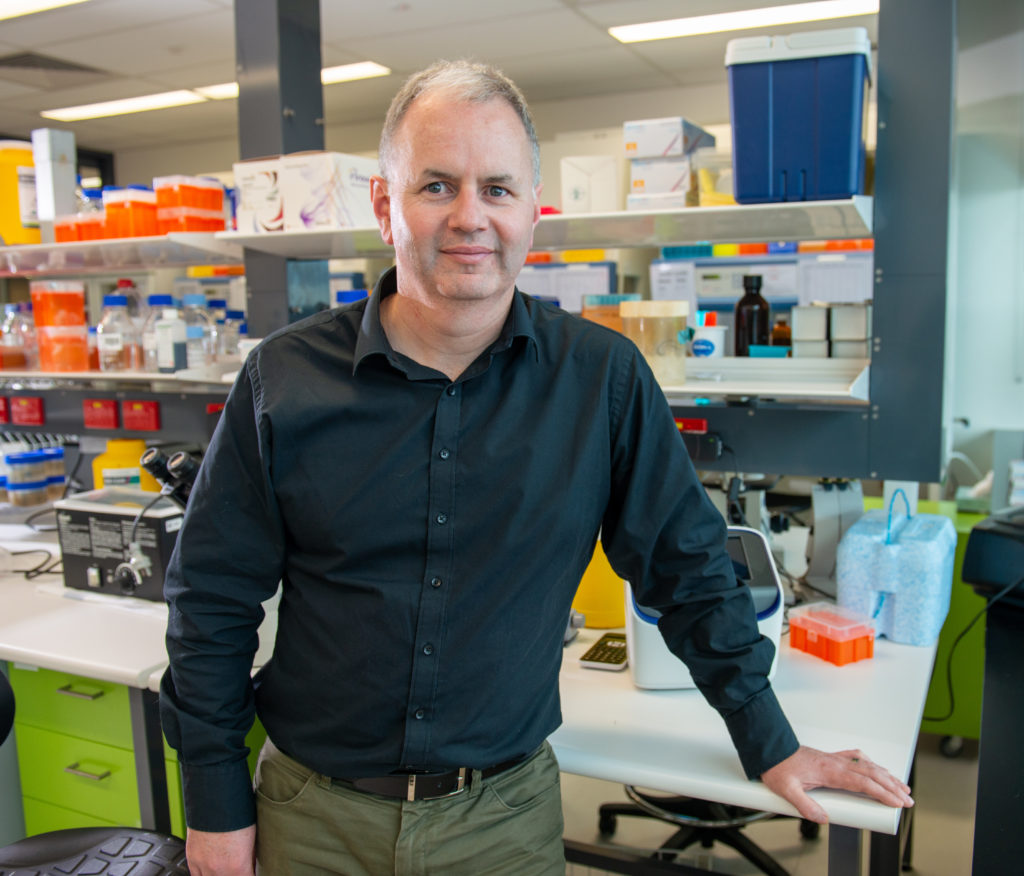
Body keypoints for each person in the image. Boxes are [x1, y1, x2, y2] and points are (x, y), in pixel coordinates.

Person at [161, 59, 914, 876]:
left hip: (503, 824)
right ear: (384, 206)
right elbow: (212, 599)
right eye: (436, 186)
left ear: (532, 210)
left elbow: (688, 570)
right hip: (312, 819)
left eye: (497, 189)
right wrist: (215, 804)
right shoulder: (283, 379)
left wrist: (771, 741)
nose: (470, 217)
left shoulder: (601, 380)